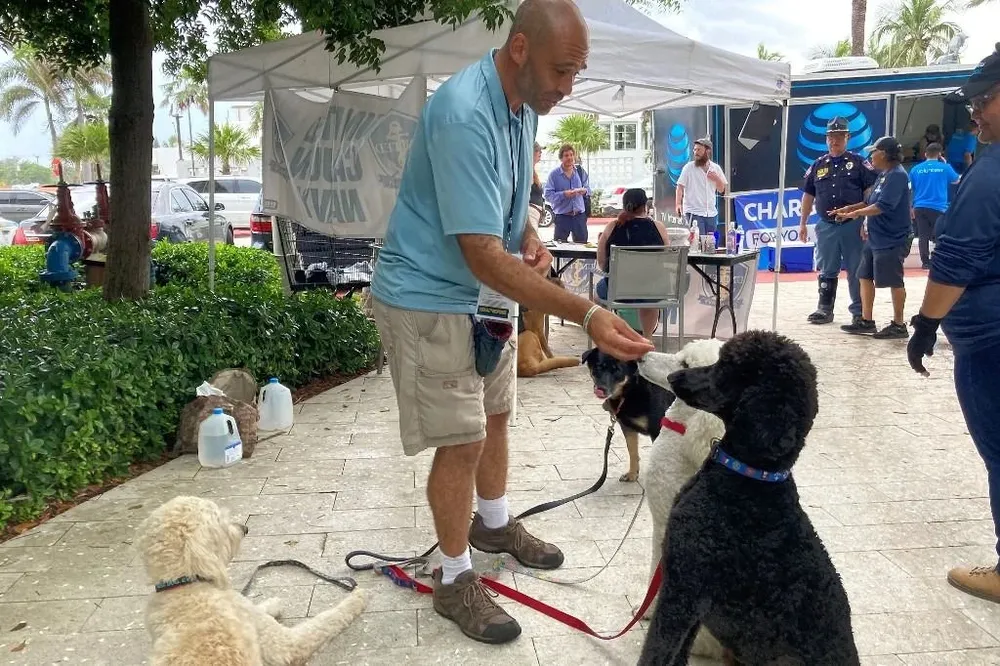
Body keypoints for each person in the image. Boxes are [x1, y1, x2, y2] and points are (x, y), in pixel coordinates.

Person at [369, 0, 654, 644]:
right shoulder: (463, 114)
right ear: (520, 50)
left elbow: (502, 201)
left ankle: (493, 523)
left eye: (576, 74)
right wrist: (588, 310)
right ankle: (452, 577)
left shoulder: (524, 103)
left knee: (497, 412)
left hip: (481, 294)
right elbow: (479, 254)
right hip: (429, 295)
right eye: (562, 71)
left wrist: (526, 228)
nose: (567, 88)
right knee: (461, 438)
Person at [907, 43, 1000, 603]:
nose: (975, 113)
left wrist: (925, 322)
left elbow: (957, 259)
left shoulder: (990, 175)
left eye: (983, 101)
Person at [798, 116, 880, 325]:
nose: (834, 141)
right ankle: (824, 309)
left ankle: (860, 311)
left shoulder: (860, 163)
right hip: (827, 225)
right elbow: (808, 195)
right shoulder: (818, 165)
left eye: (839, 137)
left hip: (853, 224)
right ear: (826, 139)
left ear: (848, 137)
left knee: (857, 268)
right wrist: (803, 223)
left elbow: (869, 193)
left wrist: (864, 220)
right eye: (831, 137)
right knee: (827, 268)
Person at [832, 136, 912, 339]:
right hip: (875, 237)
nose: (870, 156)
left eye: (873, 152)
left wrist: (856, 215)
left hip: (892, 238)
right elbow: (869, 201)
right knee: (864, 276)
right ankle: (866, 320)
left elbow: (883, 206)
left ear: (884, 153)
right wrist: (850, 208)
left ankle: (899, 324)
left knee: (894, 280)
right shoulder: (884, 175)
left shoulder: (897, 176)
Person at [595, 188, 671, 337]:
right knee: (650, 295)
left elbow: (602, 264)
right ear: (645, 206)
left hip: (617, 291)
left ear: (624, 206)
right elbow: (666, 259)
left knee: (598, 296)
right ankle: (648, 339)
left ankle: (609, 336)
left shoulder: (612, 227)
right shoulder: (658, 227)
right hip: (653, 291)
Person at [908, 142, 960, 268]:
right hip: (938, 207)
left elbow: (910, 188)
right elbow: (957, 180)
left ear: (925, 154)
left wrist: (911, 207)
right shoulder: (945, 168)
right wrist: (945, 163)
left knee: (923, 235)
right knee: (939, 235)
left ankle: (925, 262)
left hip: (920, 206)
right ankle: (938, 261)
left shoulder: (916, 169)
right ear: (940, 154)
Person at [675, 137, 727, 235]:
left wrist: (716, 179)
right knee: (698, 241)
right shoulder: (688, 168)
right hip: (694, 211)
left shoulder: (716, 168)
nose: (696, 152)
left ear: (707, 151)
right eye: (694, 149)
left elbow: (722, 190)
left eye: (699, 150)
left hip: (711, 212)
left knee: (710, 243)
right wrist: (678, 204)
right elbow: (680, 187)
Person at [544, 143, 591, 242]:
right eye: (566, 155)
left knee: (582, 247)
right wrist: (564, 194)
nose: (569, 158)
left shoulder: (580, 171)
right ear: (561, 158)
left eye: (571, 155)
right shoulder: (554, 175)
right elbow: (548, 195)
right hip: (562, 217)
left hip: (579, 216)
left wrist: (584, 191)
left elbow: (588, 188)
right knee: (560, 248)